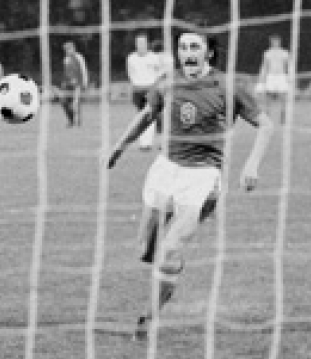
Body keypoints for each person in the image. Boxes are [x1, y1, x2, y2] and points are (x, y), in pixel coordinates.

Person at [108, 26, 274, 342]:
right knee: (145, 250)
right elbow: (147, 115)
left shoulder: (228, 85)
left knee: (169, 249)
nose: (187, 53)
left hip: (203, 176)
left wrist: (252, 165)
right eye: (183, 47)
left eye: (194, 47)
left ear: (208, 52)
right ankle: (170, 264)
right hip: (165, 169)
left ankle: (149, 318)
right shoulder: (167, 82)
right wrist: (119, 147)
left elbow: (265, 125)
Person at [126, 33, 165, 150]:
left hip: (151, 89)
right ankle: (144, 143)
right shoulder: (131, 58)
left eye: (143, 43)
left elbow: (161, 72)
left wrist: (156, 85)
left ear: (147, 44)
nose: (141, 45)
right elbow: (130, 73)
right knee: (142, 117)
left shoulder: (154, 57)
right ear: (136, 44)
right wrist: (135, 84)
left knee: (156, 116)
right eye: (139, 43)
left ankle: (158, 143)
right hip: (138, 91)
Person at [257, 34, 294, 124]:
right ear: (271, 42)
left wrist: (290, 76)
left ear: (279, 42)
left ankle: (283, 117)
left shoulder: (284, 53)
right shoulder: (267, 53)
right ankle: (267, 116)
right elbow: (264, 66)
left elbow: (289, 65)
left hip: (281, 76)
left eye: (277, 41)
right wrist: (262, 77)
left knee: (283, 97)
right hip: (271, 76)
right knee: (268, 97)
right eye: (273, 41)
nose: (275, 43)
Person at [59, 40, 88, 127]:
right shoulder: (66, 59)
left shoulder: (79, 57)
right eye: (66, 49)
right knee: (63, 101)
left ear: (73, 48)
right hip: (67, 85)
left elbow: (83, 70)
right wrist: (64, 82)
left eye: (69, 48)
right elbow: (66, 73)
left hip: (78, 85)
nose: (68, 51)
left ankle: (77, 122)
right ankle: (71, 120)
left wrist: (84, 83)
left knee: (76, 103)